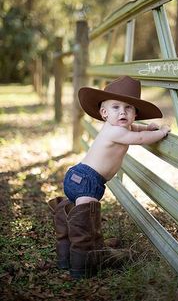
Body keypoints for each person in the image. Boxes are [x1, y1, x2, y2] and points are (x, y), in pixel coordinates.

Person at [49, 76, 170, 279]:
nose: (122, 112)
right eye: (116, 107)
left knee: (72, 216)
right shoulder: (115, 132)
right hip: (88, 181)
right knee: (85, 222)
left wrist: (147, 127)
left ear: (135, 114)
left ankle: (64, 255)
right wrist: (161, 133)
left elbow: (137, 130)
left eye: (129, 108)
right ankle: (84, 262)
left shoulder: (121, 127)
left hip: (77, 176)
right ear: (104, 113)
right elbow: (139, 139)